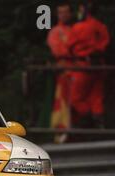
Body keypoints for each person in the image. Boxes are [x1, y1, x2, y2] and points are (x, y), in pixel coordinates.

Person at [67, 0, 110, 128]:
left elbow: (69, 47)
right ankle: (99, 125)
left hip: (83, 66)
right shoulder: (100, 26)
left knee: (75, 98)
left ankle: (89, 120)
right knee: (96, 97)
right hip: (98, 66)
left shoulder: (78, 27)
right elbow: (105, 44)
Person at [47, 2, 74, 142]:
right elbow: (58, 50)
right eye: (60, 12)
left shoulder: (74, 29)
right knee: (62, 102)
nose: (63, 15)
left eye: (66, 12)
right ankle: (61, 131)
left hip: (76, 71)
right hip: (64, 72)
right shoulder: (56, 32)